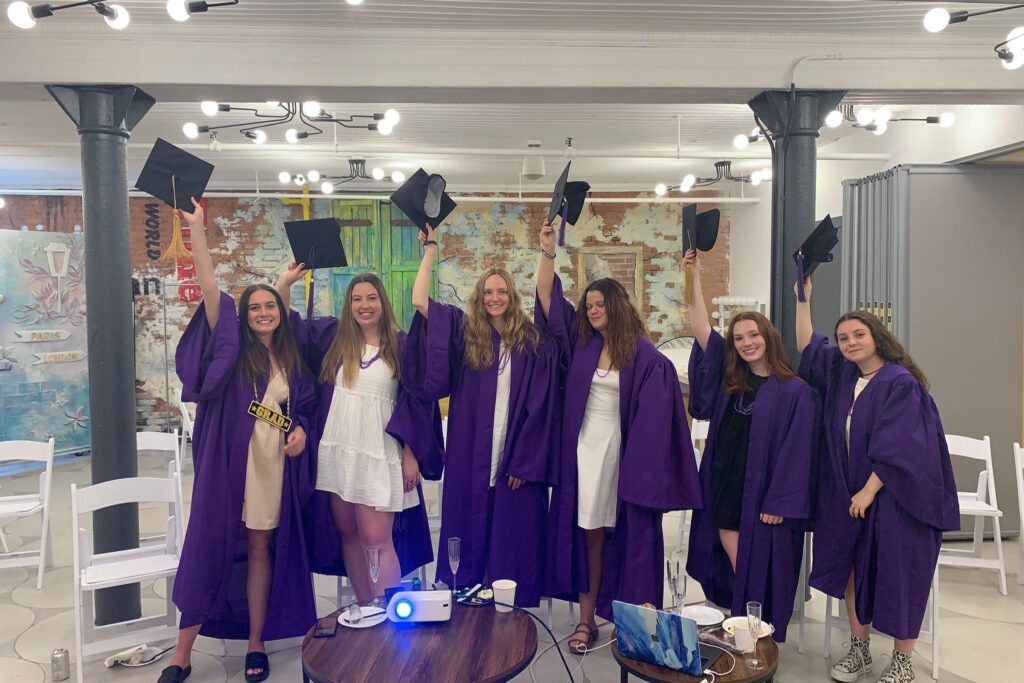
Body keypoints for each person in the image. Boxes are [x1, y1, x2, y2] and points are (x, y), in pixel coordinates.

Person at [160, 200, 317, 683]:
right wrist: (197, 232)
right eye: (256, 307)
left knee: (261, 549)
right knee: (208, 547)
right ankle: (180, 654)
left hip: (272, 469)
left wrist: (301, 430)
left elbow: (303, 408)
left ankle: (256, 640)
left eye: (270, 306)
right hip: (229, 467)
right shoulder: (229, 350)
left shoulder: (290, 358)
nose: (264, 313)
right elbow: (211, 289)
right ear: (244, 316)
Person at [535, 220, 701, 654]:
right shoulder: (582, 346)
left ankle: (635, 627)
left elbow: (656, 422)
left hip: (625, 458)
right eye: (588, 305)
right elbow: (549, 302)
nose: (592, 311)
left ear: (617, 305)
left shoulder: (647, 358)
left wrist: (642, 476)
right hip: (585, 452)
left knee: (633, 540)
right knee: (589, 534)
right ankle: (587, 620)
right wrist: (547, 253)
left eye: (599, 304)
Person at [796, 278, 959, 683]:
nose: (850, 343)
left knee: (900, 570)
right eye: (843, 338)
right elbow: (808, 345)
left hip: (898, 499)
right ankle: (860, 649)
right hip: (852, 496)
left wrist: (869, 492)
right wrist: (803, 299)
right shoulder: (845, 378)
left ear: (877, 337)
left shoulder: (900, 383)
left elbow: (901, 445)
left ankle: (902, 659)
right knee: (851, 566)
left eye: (858, 335)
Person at [402, 223, 560, 607]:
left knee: (511, 528)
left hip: (514, 454)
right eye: (488, 292)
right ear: (479, 296)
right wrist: (430, 250)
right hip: (472, 449)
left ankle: (507, 601)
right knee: (470, 521)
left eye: (501, 291)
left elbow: (541, 408)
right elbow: (420, 300)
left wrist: (525, 461)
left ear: (512, 296)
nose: (494, 298)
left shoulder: (531, 342)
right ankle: (466, 593)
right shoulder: (464, 331)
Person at [273, 266, 442, 613]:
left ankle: (391, 618)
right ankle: (368, 610)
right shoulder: (335, 339)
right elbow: (289, 329)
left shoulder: (402, 345)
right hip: (339, 450)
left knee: (376, 540)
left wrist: (411, 454)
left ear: (383, 301)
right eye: (357, 299)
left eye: (371, 298)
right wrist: (284, 284)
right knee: (349, 535)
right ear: (349, 304)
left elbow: (416, 401)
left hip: (378, 453)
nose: (365, 305)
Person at [682, 249, 819, 643]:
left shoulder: (796, 392)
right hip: (727, 490)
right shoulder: (732, 384)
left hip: (766, 500)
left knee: (761, 571)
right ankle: (743, 634)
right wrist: (694, 277)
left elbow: (798, 455)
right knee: (740, 569)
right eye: (739, 338)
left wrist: (780, 502)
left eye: (753, 335)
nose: (746, 343)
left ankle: (757, 642)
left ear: (767, 337)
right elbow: (701, 327)